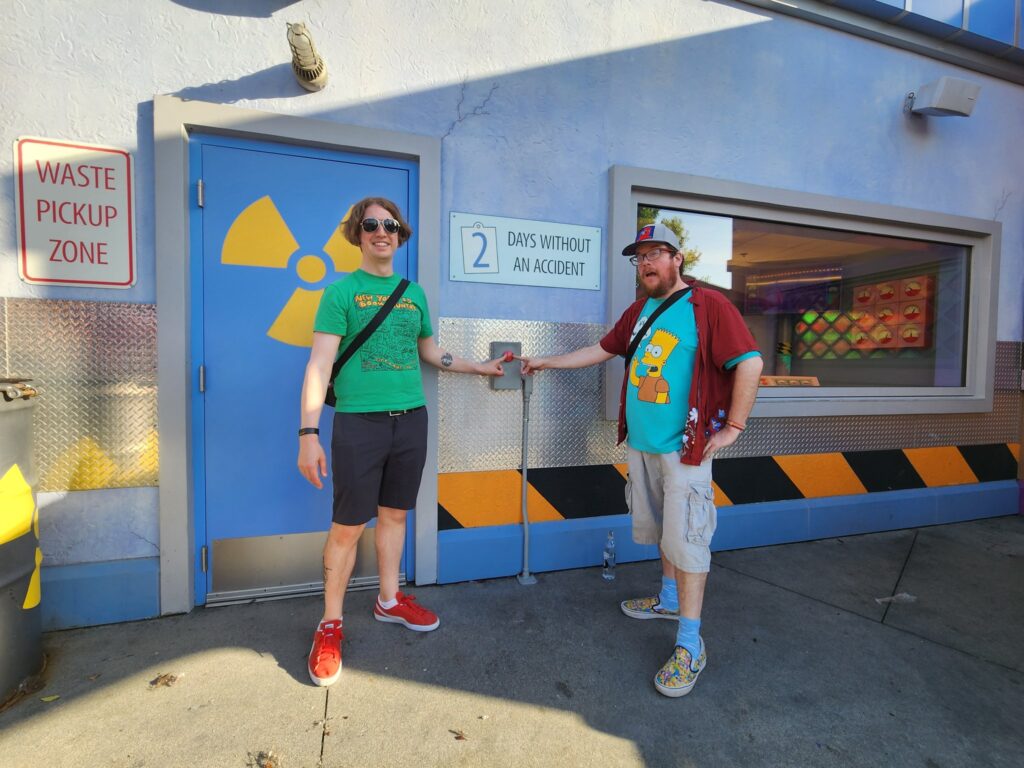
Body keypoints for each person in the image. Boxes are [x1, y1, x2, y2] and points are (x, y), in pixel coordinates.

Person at [521, 223, 762, 697]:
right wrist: (545, 361)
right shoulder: (639, 310)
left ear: (678, 259)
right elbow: (601, 349)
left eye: (657, 253)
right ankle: (668, 599)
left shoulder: (708, 306)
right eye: (640, 257)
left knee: (689, 540)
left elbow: (749, 362)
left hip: (685, 450)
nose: (647, 263)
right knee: (663, 531)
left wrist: (733, 427)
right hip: (644, 446)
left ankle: (690, 645)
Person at [297, 196, 504, 687]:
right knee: (347, 527)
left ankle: (389, 600)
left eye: (389, 224)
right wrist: (308, 433)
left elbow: (430, 352)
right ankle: (330, 624)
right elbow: (319, 366)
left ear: (400, 233)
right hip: (358, 424)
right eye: (370, 225)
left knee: (395, 515)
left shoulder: (414, 295)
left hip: (410, 420)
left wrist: (479, 367)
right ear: (358, 234)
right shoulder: (340, 293)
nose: (381, 232)